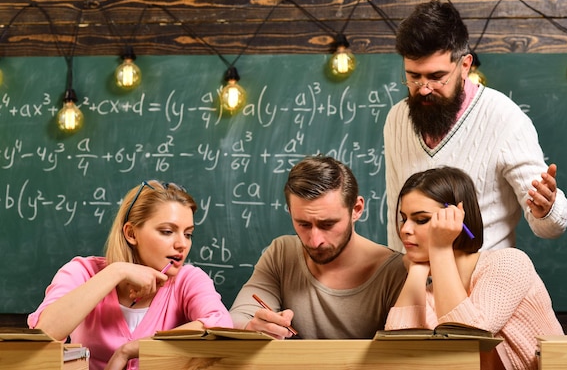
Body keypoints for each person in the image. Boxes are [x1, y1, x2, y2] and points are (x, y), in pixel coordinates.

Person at [384, 0, 567, 252]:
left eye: (437, 77)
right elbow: (395, 214)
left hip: (482, 283)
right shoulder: (397, 119)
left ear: (465, 66)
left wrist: (547, 209)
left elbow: (551, 227)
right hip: (414, 283)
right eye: (414, 77)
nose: (424, 88)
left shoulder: (506, 120)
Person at [28, 180, 232, 370]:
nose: (182, 244)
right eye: (167, 231)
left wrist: (130, 350)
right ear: (131, 234)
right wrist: (117, 271)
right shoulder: (82, 272)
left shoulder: (188, 279)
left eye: (188, 234)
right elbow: (44, 333)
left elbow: (220, 323)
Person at [385, 166, 563, 370]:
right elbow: (398, 354)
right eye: (403, 218)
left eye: (421, 220)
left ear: (458, 220)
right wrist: (416, 271)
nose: (405, 230)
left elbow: (468, 338)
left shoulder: (509, 263)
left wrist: (441, 248)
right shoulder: (431, 293)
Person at [229, 155, 407, 339]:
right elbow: (235, 318)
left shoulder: (395, 271)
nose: (315, 241)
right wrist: (249, 327)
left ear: (356, 209)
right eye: (303, 224)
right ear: (290, 212)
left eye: (328, 224)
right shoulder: (282, 253)